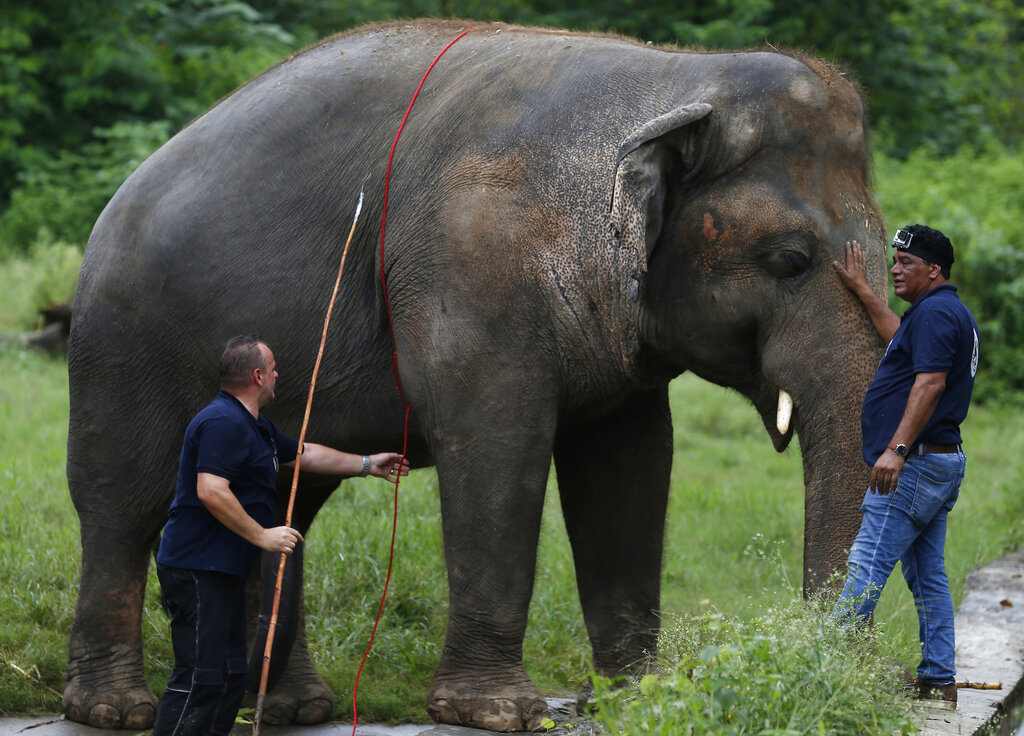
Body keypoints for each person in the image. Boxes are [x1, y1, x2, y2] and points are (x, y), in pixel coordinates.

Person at [153, 335, 409, 736]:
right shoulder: (221, 423)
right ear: (258, 376)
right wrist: (264, 536)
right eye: (272, 368)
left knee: (230, 677)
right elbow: (210, 490)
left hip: (220, 571)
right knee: (200, 679)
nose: (277, 375)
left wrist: (366, 463)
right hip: (196, 569)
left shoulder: (256, 427)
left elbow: (305, 454)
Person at [830, 225, 979, 709]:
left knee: (865, 567)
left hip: (913, 466)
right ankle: (939, 679)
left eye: (906, 262)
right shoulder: (941, 312)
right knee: (928, 575)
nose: (896, 268)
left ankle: (814, 672)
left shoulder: (936, 315)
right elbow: (900, 339)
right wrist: (865, 292)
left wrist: (896, 448)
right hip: (939, 463)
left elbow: (930, 383)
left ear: (933, 270)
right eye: (895, 260)